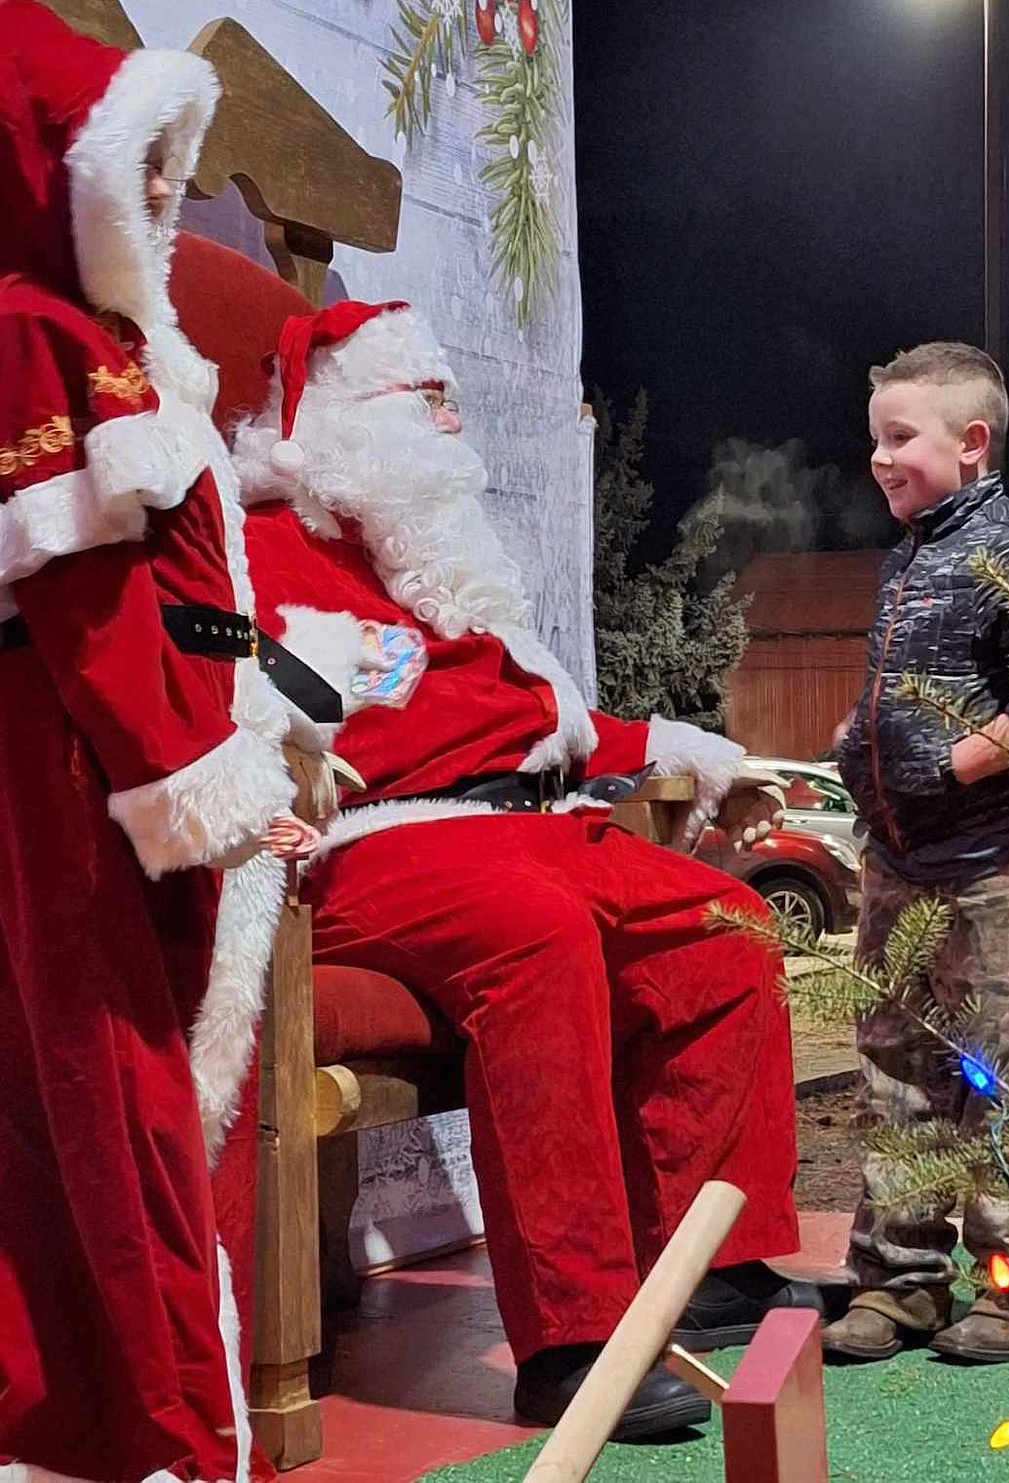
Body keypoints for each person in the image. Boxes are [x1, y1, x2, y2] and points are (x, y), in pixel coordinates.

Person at [234, 299, 820, 1438]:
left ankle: (706, 1267)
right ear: (350, 422)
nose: (452, 425)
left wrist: (681, 748)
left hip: (537, 827)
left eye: (451, 401)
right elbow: (258, 711)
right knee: (538, 936)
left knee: (728, 926)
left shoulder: (446, 564)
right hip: (387, 843)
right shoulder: (263, 548)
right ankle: (574, 1338)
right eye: (428, 402)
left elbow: (541, 721)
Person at [0, 1, 318, 1483]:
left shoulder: (99, 336)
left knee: (100, 1102)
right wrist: (199, 771)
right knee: (111, 1096)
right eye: (141, 168)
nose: (162, 201)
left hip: (126, 762)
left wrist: (250, 702)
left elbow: (182, 605)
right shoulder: (41, 335)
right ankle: (155, 1433)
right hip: (94, 788)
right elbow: (96, 604)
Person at [825, 341, 1009, 1363]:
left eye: (900, 438)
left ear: (972, 443)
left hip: (999, 866)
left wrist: (953, 767)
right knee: (896, 1072)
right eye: (875, 439)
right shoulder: (912, 555)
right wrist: (859, 748)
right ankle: (899, 1283)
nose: (879, 459)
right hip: (901, 867)